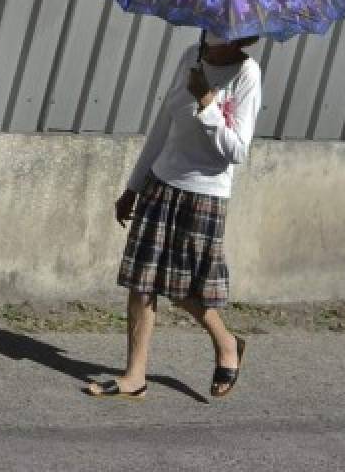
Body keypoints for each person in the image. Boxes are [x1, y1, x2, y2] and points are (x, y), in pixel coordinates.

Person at [87, 32, 262, 400]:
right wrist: (134, 185)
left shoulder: (247, 74)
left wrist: (208, 102)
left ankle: (227, 343)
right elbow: (164, 124)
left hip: (204, 193)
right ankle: (135, 377)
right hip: (162, 181)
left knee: (184, 288)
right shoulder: (189, 57)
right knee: (142, 280)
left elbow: (237, 151)